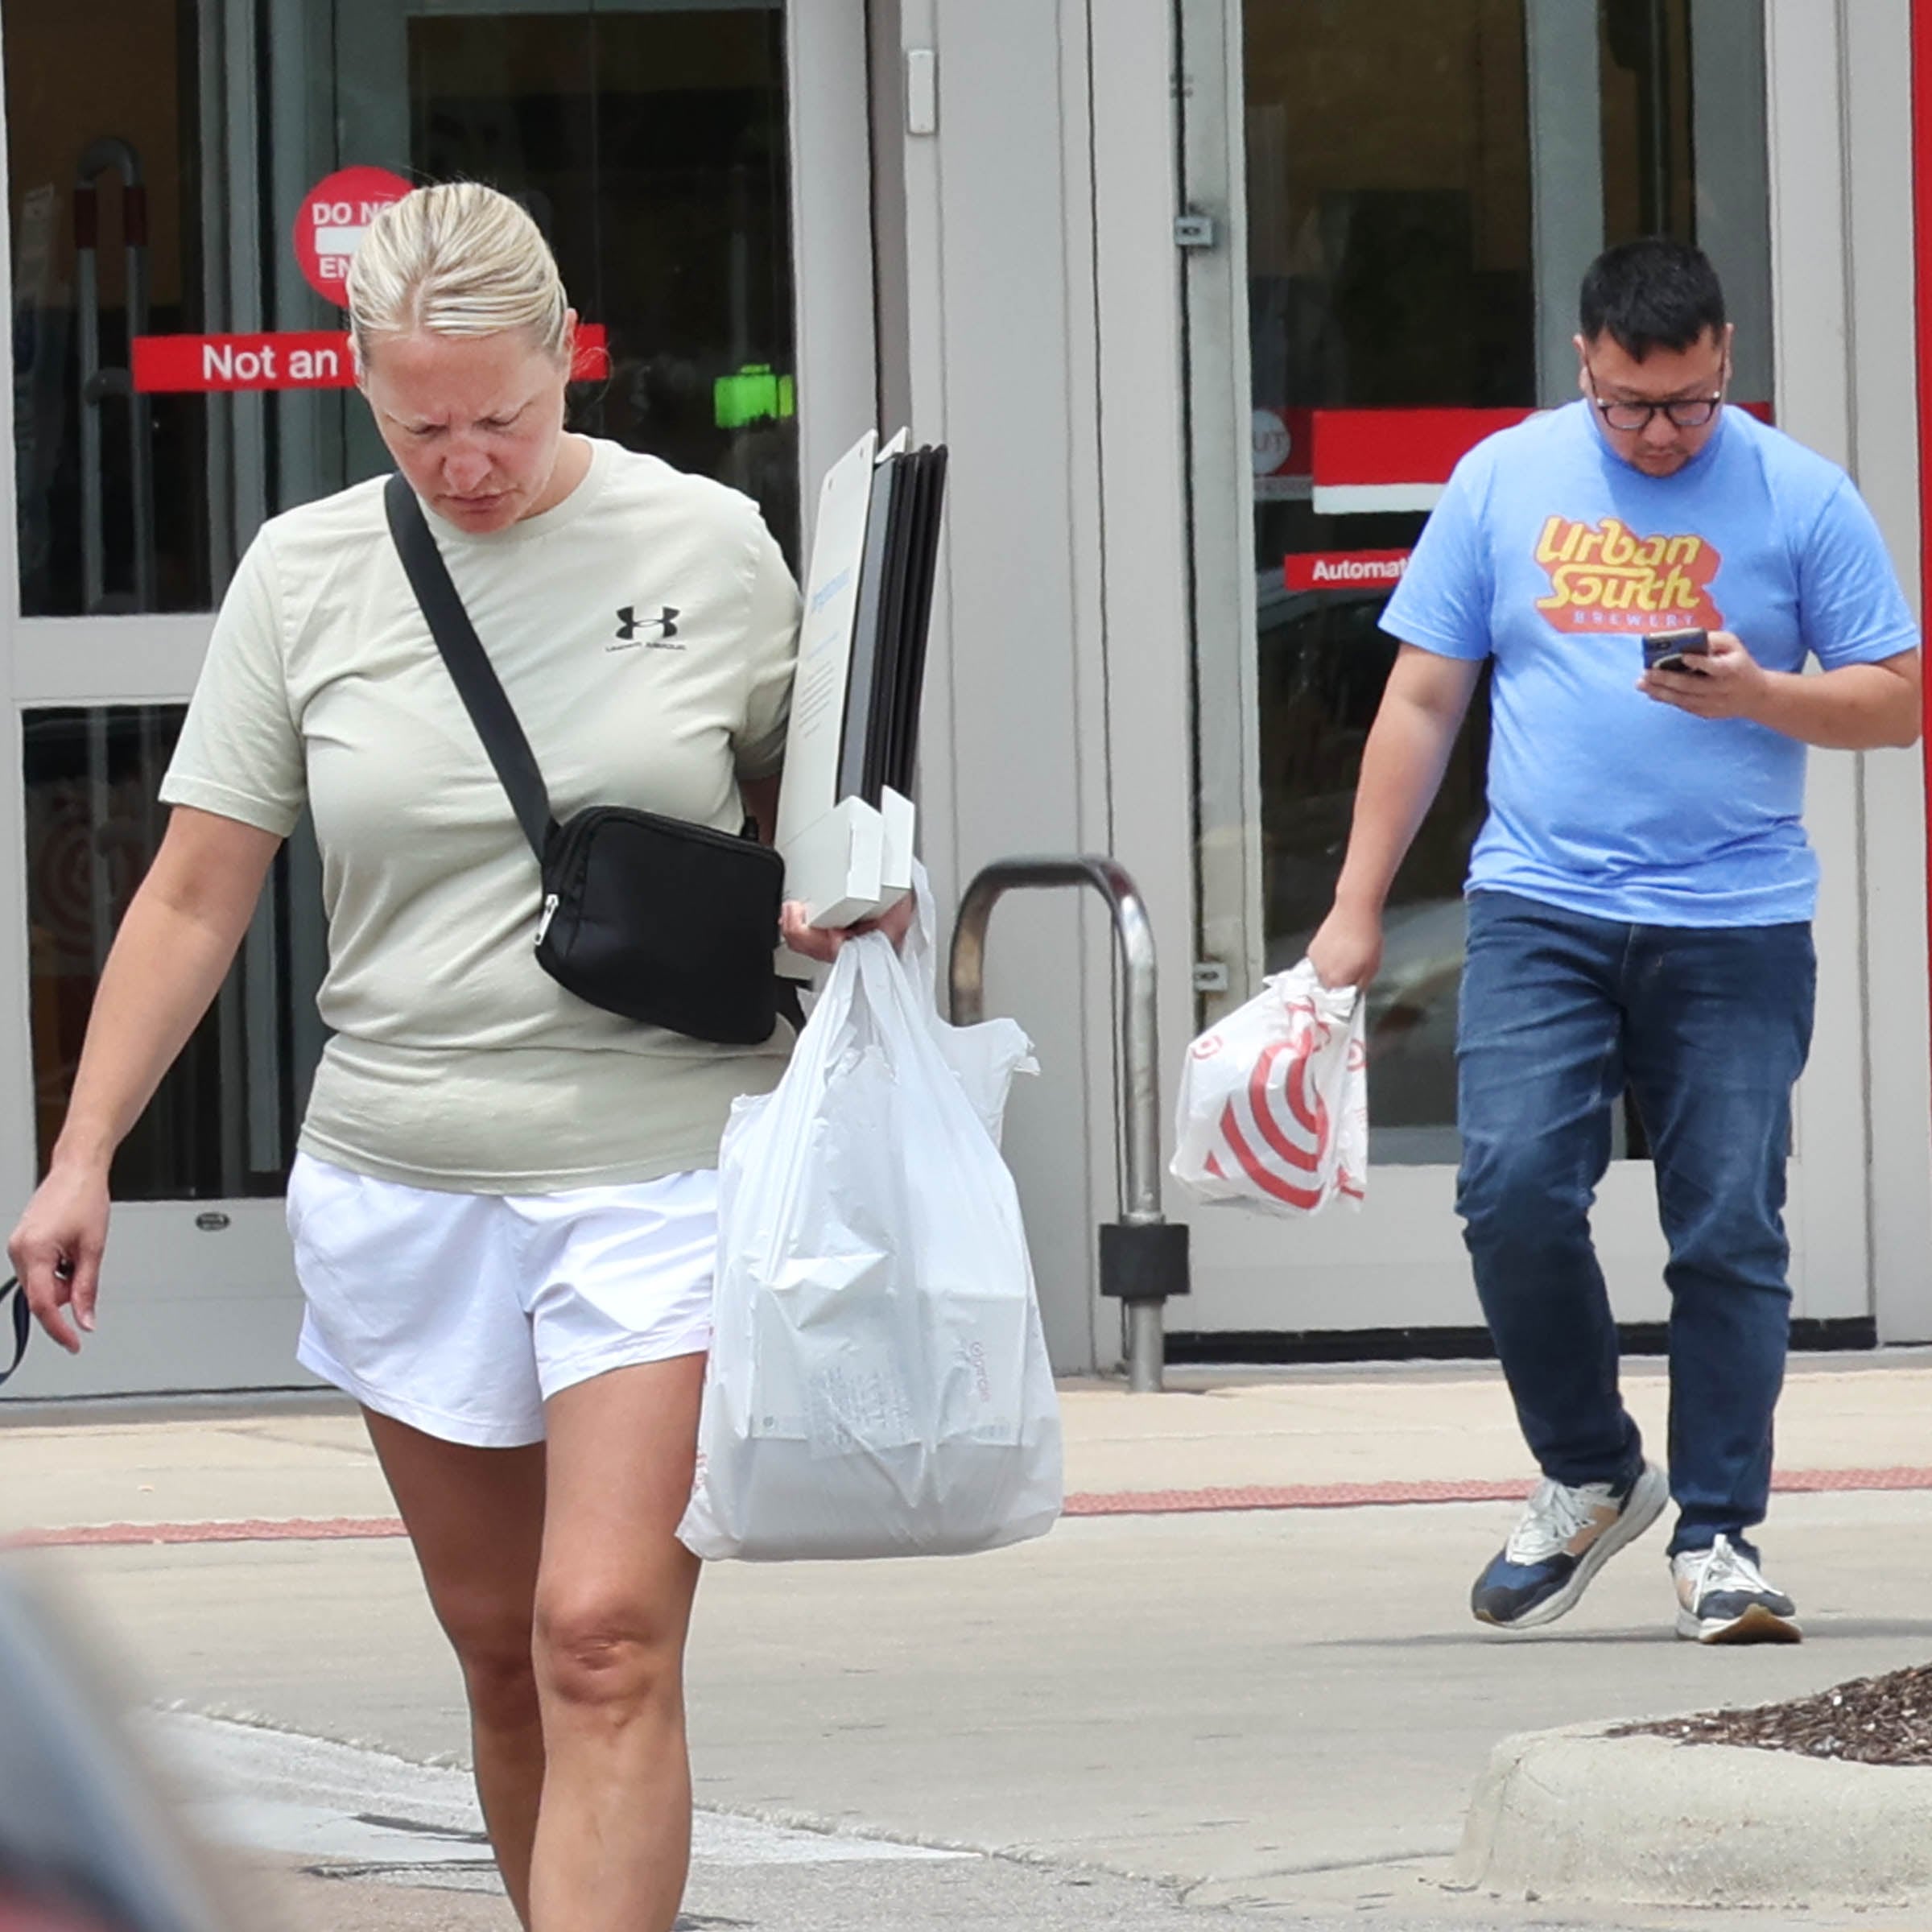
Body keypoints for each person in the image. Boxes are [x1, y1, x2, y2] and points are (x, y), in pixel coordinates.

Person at [5, 183, 901, 1932]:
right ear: (362, 385)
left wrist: (838, 906)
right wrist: (84, 1148)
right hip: (404, 1174)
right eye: (426, 427)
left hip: (657, 1165)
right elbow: (195, 891)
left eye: (505, 416)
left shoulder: (708, 543)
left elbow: (827, 820)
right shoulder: (309, 572)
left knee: (602, 1635)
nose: (470, 462)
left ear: (569, 363)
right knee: (503, 1662)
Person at [1308, 237, 1920, 1646]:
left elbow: (1897, 701)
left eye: (1693, 403)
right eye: (1634, 405)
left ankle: (1719, 1536)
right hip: (1540, 907)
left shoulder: (1797, 494)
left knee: (1728, 1228)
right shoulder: (1503, 479)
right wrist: (1354, 907)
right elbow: (1420, 702)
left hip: (1735, 919)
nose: (1662, 434)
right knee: (1511, 1192)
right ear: (1584, 362)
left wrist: (1764, 694)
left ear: (1724, 365)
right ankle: (1590, 1468)